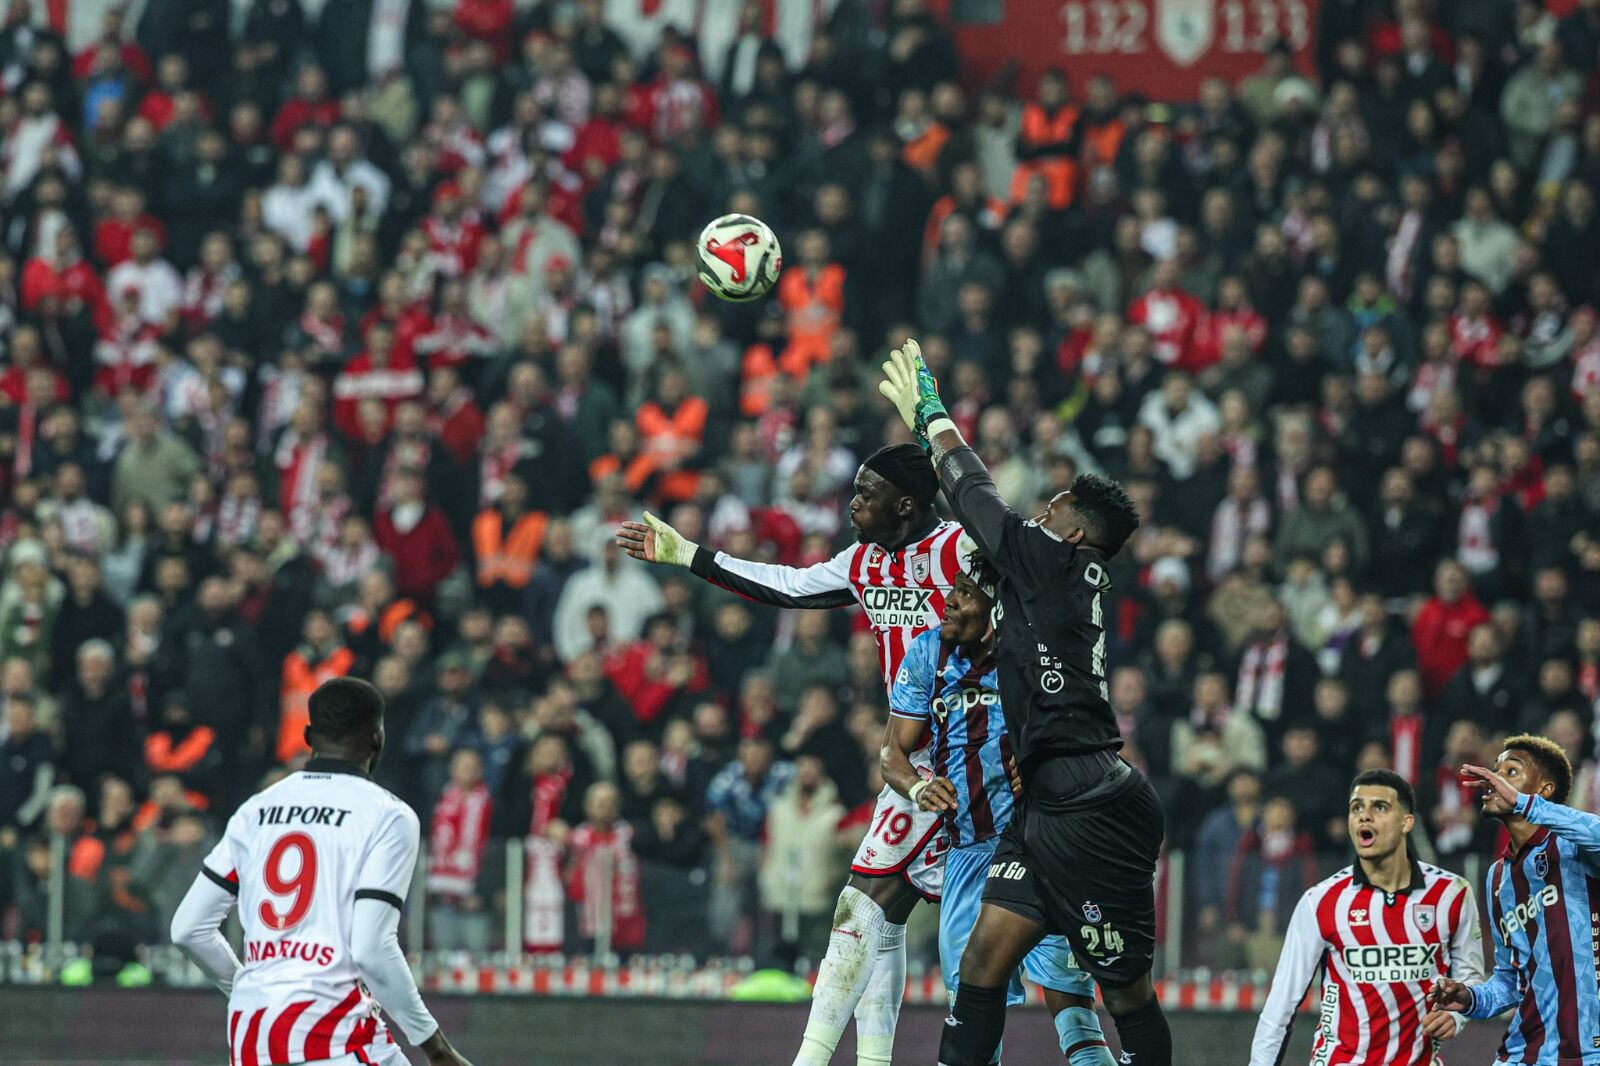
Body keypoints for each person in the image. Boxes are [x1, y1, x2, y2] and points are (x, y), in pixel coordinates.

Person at [617, 443, 969, 1066]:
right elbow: (786, 586)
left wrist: (939, 432)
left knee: (913, 922)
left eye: (866, 494)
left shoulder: (962, 552)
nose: (852, 505)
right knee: (872, 910)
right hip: (912, 765)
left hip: (976, 762)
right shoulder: (863, 562)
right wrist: (689, 555)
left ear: (907, 505)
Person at [877, 342, 1168, 1066]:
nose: (1043, 509)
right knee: (981, 967)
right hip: (1045, 809)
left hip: (1094, 808)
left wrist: (931, 418)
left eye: (1056, 504)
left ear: (1071, 532)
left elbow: (975, 499)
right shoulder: (1060, 579)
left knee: (1124, 991)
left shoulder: (1054, 564)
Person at [880, 556, 1113, 1065]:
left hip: (1040, 846)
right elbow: (892, 754)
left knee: (1069, 1000)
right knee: (974, 1006)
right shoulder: (929, 653)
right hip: (967, 854)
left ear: (996, 608)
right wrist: (919, 789)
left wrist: (1042, 763)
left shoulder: (1031, 660)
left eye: (964, 592)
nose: (950, 600)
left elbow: (1088, 737)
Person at [169, 678, 473, 1066]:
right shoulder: (387, 815)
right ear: (378, 738)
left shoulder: (255, 810)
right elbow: (370, 947)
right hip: (333, 1033)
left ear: (309, 735)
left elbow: (188, 929)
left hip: (252, 1038)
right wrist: (436, 1048)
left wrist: (251, 986)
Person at [1249, 769, 1484, 1065]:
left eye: (1380, 807)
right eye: (1356, 807)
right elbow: (1281, 1005)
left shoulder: (1452, 893)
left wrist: (1456, 1015)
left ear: (1406, 822)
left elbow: (1471, 974)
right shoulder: (1321, 901)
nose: (1364, 816)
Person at [1430, 736, 1600, 1064]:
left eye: (1510, 771)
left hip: (1588, 1052)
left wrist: (1526, 804)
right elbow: (1510, 978)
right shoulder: (1498, 878)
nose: (1493, 781)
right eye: (1495, 771)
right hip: (1523, 1052)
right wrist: (1469, 998)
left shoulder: (1575, 848)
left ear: (1544, 789)